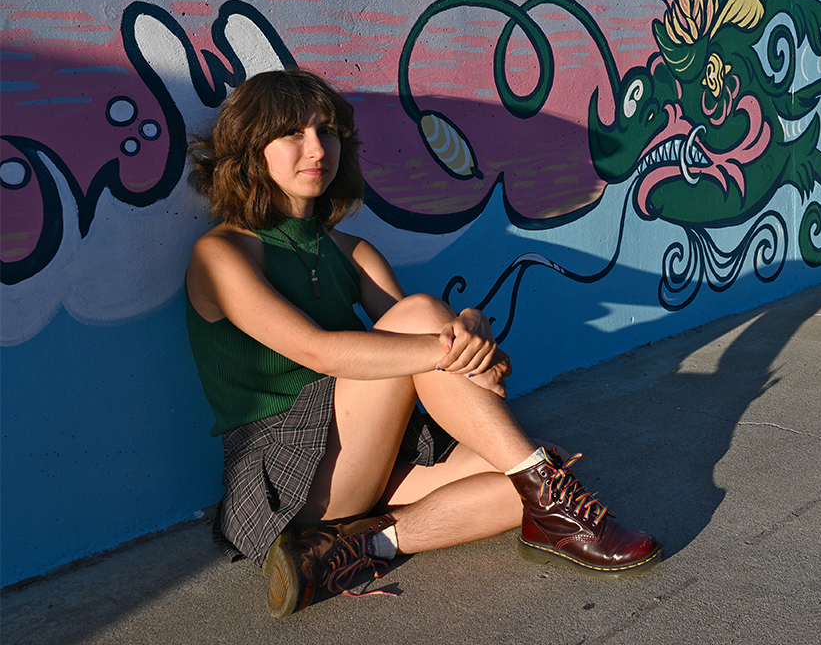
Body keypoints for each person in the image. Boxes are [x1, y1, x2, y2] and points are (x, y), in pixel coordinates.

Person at [184, 68, 661, 618]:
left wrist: (474, 337)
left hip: (364, 455)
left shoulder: (353, 251)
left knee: (517, 481)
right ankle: (553, 497)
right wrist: (449, 349)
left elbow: (429, 349)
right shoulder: (221, 255)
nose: (317, 148)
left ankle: (358, 547)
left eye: (328, 131)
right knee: (421, 322)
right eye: (292, 133)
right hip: (286, 476)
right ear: (250, 149)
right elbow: (321, 351)